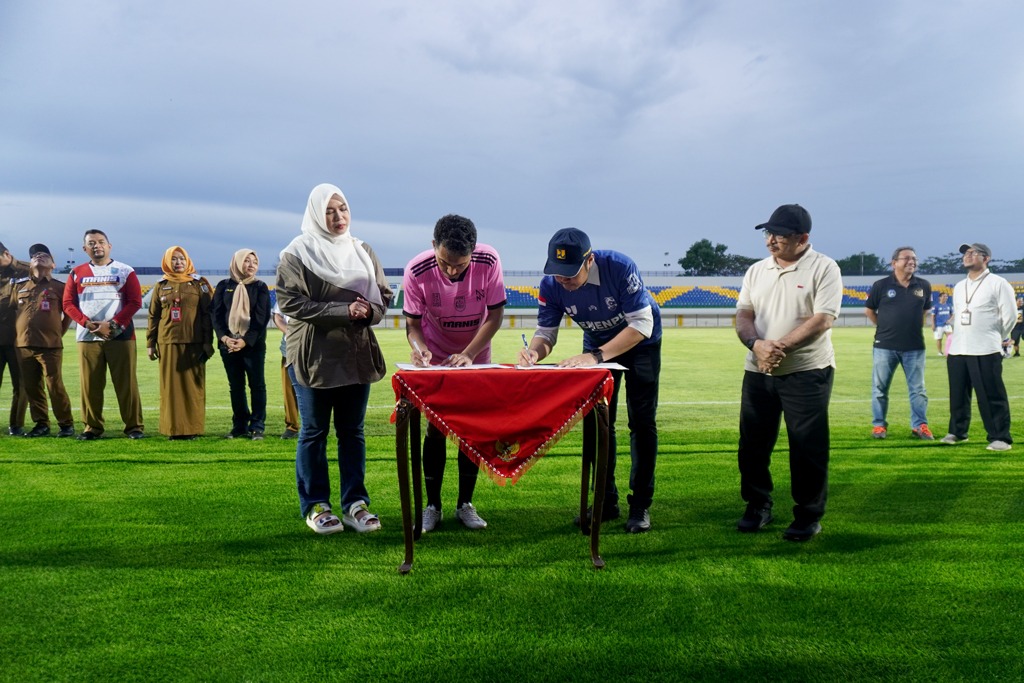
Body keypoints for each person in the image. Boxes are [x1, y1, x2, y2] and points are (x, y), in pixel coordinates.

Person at [519, 228, 661, 534]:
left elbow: (642, 324)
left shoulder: (620, 267)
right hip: (597, 344)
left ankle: (640, 504)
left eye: (570, 273)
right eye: (557, 272)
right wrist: (534, 352)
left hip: (640, 344)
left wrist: (595, 357)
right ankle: (605, 500)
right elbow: (546, 334)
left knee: (641, 421)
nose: (563, 280)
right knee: (599, 424)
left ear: (590, 261)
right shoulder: (551, 285)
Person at [276, 183, 393, 535]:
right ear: (316, 214)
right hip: (313, 353)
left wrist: (368, 311)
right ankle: (316, 506)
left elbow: (383, 296)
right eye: (329, 211)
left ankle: (355, 504)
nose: (338, 216)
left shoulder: (362, 250)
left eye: (342, 208)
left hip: (355, 352)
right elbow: (291, 302)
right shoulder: (297, 253)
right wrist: (344, 310)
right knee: (314, 431)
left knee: (352, 432)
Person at [734, 204, 843, 542]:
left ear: (802, 238)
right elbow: (744, 315)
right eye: (768, 233)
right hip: (758, 370)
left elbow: (822, 319)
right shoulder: (757, 270)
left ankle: (808, 515)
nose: (770, 240)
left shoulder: (824, 268)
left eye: (779, 235)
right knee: (752, 445)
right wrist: (756, 346)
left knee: (807, 446)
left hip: (806, 370)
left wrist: (776, 348)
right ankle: (757, 505)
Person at [403, 214, 506, 532]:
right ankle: (432, 506)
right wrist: (420, 349)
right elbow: (412, 325)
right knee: (435, 429)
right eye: (445, 262)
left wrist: (469, 355)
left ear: (473, 252)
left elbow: (495, 316)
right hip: (436, 359)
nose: (451, 271)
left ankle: (465, 504)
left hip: (475, 356)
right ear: (434, 245)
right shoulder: (416, 270)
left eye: (460, 265)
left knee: (470, 431)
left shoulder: (489, 260)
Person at [62, 229, 145, 440]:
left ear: (109, 246)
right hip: (87, 336)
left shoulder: (125, 271)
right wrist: (87, 324)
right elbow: (68, 304)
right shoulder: (76, 272)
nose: (96, 245)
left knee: (126, 383)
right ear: (85, 248)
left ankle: (134, 427)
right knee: (90, 385)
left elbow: (135, 302)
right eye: (91, 243)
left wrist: (113, 324)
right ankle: (92, 427)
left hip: (121, 335)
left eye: (100, 242)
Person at [941, 243, 1016, 451]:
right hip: (958, 348)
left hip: (985, 348)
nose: (967, 256)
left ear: (986, 258)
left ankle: (1000, 437)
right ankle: (958, 431)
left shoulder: (998, 283)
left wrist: (996, 336)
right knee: (958, 395)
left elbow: (1010, 316)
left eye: (973, 253)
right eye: (966, 253)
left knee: (991, 395)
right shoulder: (959, 286)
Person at [864, 246, 933, 440]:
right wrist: (885, 327)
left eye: (914, 258)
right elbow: (869, 311)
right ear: (894, 263)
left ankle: (919, 425)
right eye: (907, 258)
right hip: (884, 346)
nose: (912, 261)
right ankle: (879, 425)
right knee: (880, 389)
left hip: (915, 347)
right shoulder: (881, 285)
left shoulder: (924, 285)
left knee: (918, 390)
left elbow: (924, 311)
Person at [146, 246, 214, 440]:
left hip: (194, 342)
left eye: (182, 259)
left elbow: (207, 315)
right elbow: (153, 316)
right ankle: (173, 429)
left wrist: (208, 342)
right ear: (167, 261)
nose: (178, 263)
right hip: (167, 342)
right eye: (174, 259)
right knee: (170, 389)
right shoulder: (161, 285)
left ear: (188, 261)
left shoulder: (199, 283)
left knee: (193, 388)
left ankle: (192, 428)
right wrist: (150, 343)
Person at [10, 244, 74, 437]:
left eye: (45, 255)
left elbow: (68, 314)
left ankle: (66, 424)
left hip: (49, 345)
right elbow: (11, 312)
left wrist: (58, 333)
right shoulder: (19, 286)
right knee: (32, 388)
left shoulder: (60, 287)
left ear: (53, 265)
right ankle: (41, 424)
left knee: (55, 386)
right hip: (23, 345)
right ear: (30, 264)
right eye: (35, 255)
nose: (39, 256)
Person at [212, 249, 271, 440]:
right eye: (247, 261)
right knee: (236, 386)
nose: (252, 265)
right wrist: (224, 338)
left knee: (257, 385)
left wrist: (244, 341)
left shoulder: (260, 287)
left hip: (252, 345)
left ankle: (257, 425)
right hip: (228, 344)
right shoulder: (223, 286)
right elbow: (216, 315)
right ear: (237, 262)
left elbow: (261, 318)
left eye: (255, 261)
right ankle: (239, 425)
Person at [0, 241, 30, 435]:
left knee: (21, 385)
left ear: (6, 253)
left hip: (18, 339)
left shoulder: (28, 270)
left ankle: (16, 424)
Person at [272, 304, 300, 439]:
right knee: (289, 390)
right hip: (289, 349)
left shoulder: (318, 293)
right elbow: (277, 315)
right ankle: (292, 426)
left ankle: (316, 425)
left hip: (315, 349)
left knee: (317, 390)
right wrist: (289, 332)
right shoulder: (286, 292)